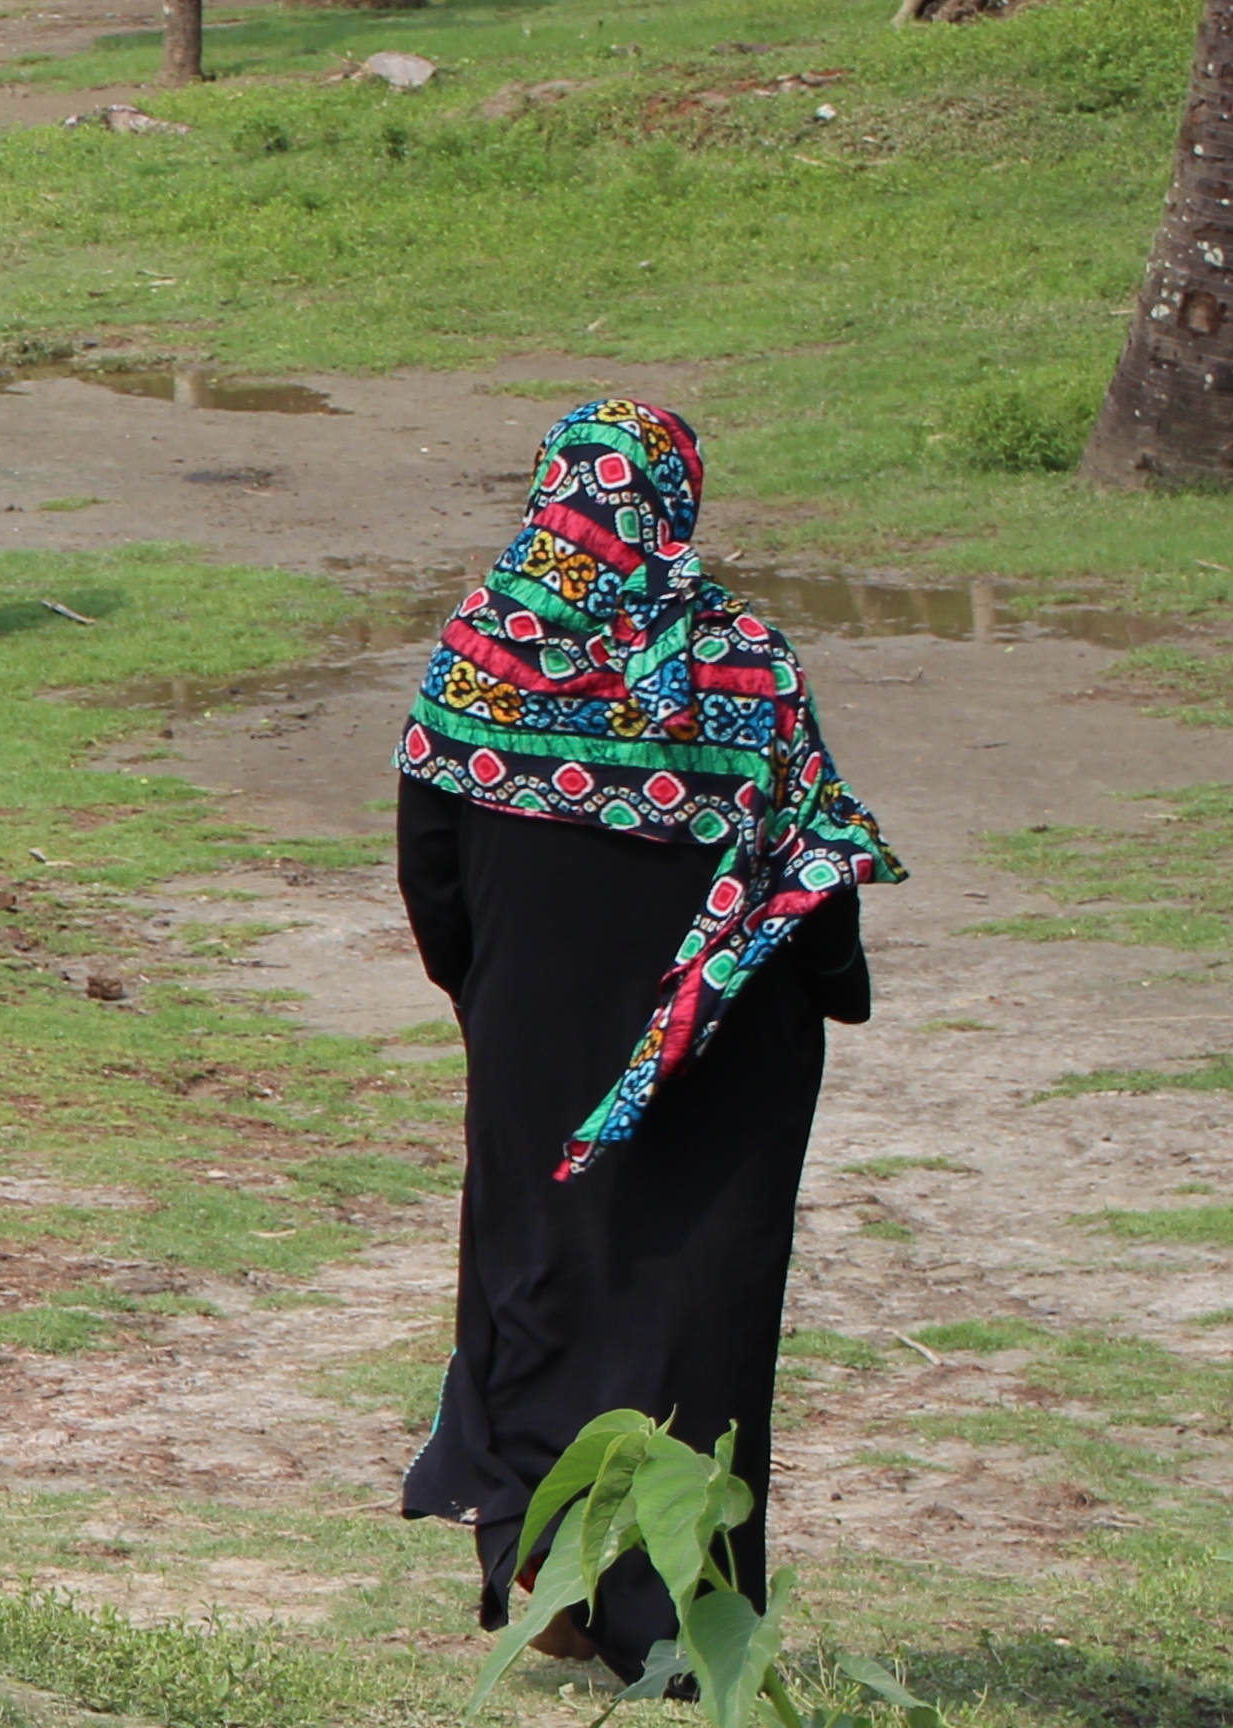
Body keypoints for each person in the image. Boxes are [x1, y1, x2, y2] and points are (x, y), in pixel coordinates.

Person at [392, 400, 897, 1680]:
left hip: (534, 1055)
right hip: (728, 1069)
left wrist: (500, 1002)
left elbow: (431, 871)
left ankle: (541, 1579)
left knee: (537, 1284)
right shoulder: (738, 662)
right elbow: (814, 873)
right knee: (694, 1323)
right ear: (672, 504)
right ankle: (676, 1624)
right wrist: (836, 989)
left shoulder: (479, 656)